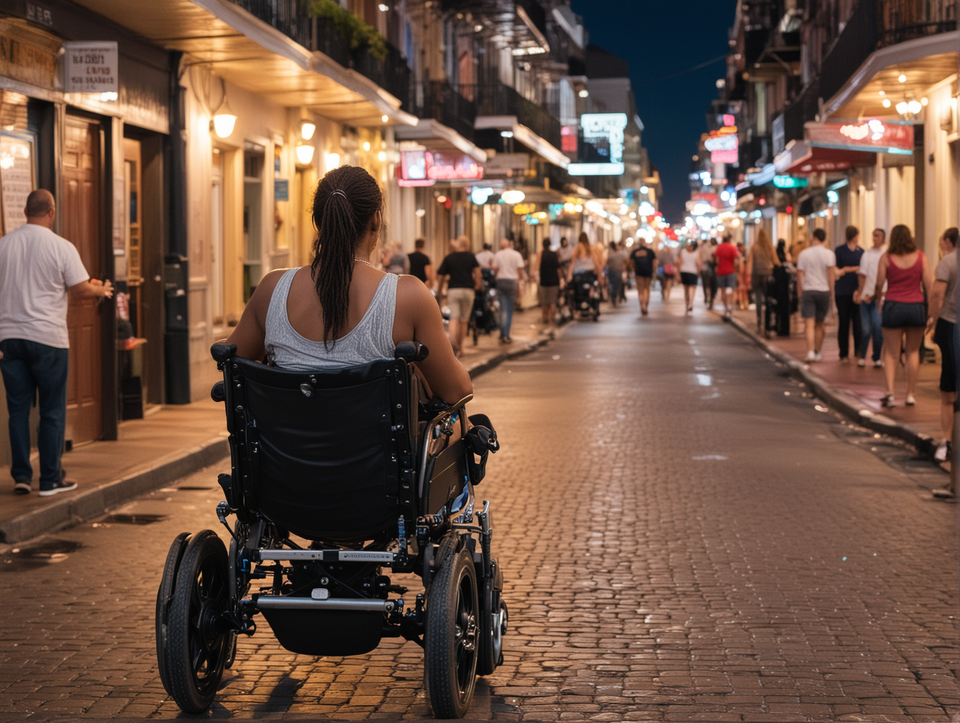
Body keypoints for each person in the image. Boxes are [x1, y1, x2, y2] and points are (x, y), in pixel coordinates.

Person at [225, 165, 471, 408]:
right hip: (374, 447)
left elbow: (233, 364)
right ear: (376, 220)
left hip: (282, 447)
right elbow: (456, 391)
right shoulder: (408, 297)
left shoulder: (272, 289)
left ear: (318, 222)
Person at [0, 189, 114, 497]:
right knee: (51, 410)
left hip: (9, 339)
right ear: (51, 212)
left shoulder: (4, 245)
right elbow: (79, 288)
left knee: (18, 411)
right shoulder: (60, 246)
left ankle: (22, 477)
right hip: (48, 339)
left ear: (25, 211)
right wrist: (101, 290)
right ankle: (50, 480)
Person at [875, 224, 933, 407]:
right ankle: (910, 394)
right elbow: (929, 285)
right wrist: (930, 309)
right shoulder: (921, 257)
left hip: (893, 306)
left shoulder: (886, 258)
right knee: (913, 352)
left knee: (892, 353)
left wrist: (878, 300)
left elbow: (879, 283)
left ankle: (890, 392)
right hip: (915, 307)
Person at [927, 227, 958, 483]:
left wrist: (932, 322)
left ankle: (946, 440)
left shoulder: (948, 261)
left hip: (951, 324)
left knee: (948, 388)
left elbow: (937, 294)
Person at [436, 236, 482, 356]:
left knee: (453, 318)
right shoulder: (471, 257)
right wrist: (477, 284)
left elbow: (440, 275)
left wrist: (439, 290)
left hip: (453, 290)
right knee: (464, 320)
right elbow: (478, 272)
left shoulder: (449, 257)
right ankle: (461, 348)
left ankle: (453, 345)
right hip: (468, 289)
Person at [796, 228, 836, 363]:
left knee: (809, 323)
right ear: (824, 239)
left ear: (813, 237)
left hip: (808, 290)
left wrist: (800, 292)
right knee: (820, 323)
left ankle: (810, 351)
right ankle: (818, 350)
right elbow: (831, 274)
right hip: (823, 290)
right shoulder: (829, 254)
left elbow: (800, 274)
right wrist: (832, 292)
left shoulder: (804, 254)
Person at [854, 228, 887, 368]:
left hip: (880, 297)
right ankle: (862, 355)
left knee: (878, 328)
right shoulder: (866, 254)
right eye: (873, 236)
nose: (875, 238)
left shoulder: (886, 254)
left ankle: (877, 356)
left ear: (883, 238)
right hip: (867, 296)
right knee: (866, 329)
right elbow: (862, 275)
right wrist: (860, 293)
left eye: (878, 236)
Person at [834, 225, 864, 363]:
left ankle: (858, 349)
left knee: (857, 322)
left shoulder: (861, 252)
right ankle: (843, 353)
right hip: (843, 291)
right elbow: (838, 271)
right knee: (844, 322)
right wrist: (853, 269)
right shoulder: (840, 251)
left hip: (856, 290)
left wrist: (847, 269)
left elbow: (862, 271)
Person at [745, 228, 779, 334]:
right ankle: (768, 319)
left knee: (758, 297)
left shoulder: (754, 247)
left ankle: (759, 318)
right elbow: (776, 261)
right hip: (768, 274)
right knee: (768, 297)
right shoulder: (770, 247)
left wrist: (747, 275)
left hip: (757, 274)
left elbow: (750, 262)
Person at [492, 238, 525, 343]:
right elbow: (520, 271)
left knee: (503, 308)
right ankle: (506, 334)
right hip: (512, 282)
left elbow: (495, 269)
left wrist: (496, 278)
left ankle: (502, 333)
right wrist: (519, 285)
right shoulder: (516, 255)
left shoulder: (498, 254)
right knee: (509, 309)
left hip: (501, 281)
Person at [534, 238, 561, 327]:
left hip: (543, 281)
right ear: (550, 245)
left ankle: (544, 318)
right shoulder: (554, 254)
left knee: (544, 302)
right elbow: (558, 269)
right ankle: (551, 318)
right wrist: (561, 279)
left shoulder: (540, 254)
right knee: (553, 301)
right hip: (554, 281)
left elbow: (536, 267)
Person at [713, 234, 740, 319]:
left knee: (723, 291)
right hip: (731, 271)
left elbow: (716, 259)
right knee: (731, 290)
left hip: (721, 271)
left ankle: (726, 308)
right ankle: (731, 308)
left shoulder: (719, 247)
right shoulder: (732, 247)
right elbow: (736, 260)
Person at [630, 238, 658, 316]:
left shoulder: (635, 252)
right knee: (647, 288)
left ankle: (642, 304)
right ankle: (645, 305)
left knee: (640, 289)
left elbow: (631, 262)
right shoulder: (650, 251)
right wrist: (655, 271)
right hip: (648, 272)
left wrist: (633, 270)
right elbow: (654, 262)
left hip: (638, 272)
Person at [678, 240, 701, 314]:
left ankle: (688, 303)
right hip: (691, 272)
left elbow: (680, 262)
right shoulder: (695, 252)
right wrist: (699, 271)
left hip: (685, 271)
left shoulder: (683, 251)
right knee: (691, 288)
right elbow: (698, 263)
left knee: (687, 289)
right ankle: (690, 303)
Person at [605, 241, 629, 307]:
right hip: (618, 271)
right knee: (617, 285)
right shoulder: (620, 253)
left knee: (612, 285)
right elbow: (626, 260)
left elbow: (606, 261)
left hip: (612, 271)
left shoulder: (610, 254)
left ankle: (614, 297)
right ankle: (615, 297)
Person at [699, 237, 717, 308]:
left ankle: (709, 298)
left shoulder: (715, 247)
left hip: (711, 268)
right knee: (708, 285)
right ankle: (708, 298)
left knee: (709, 285)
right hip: (706, 268)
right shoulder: (705, 247)